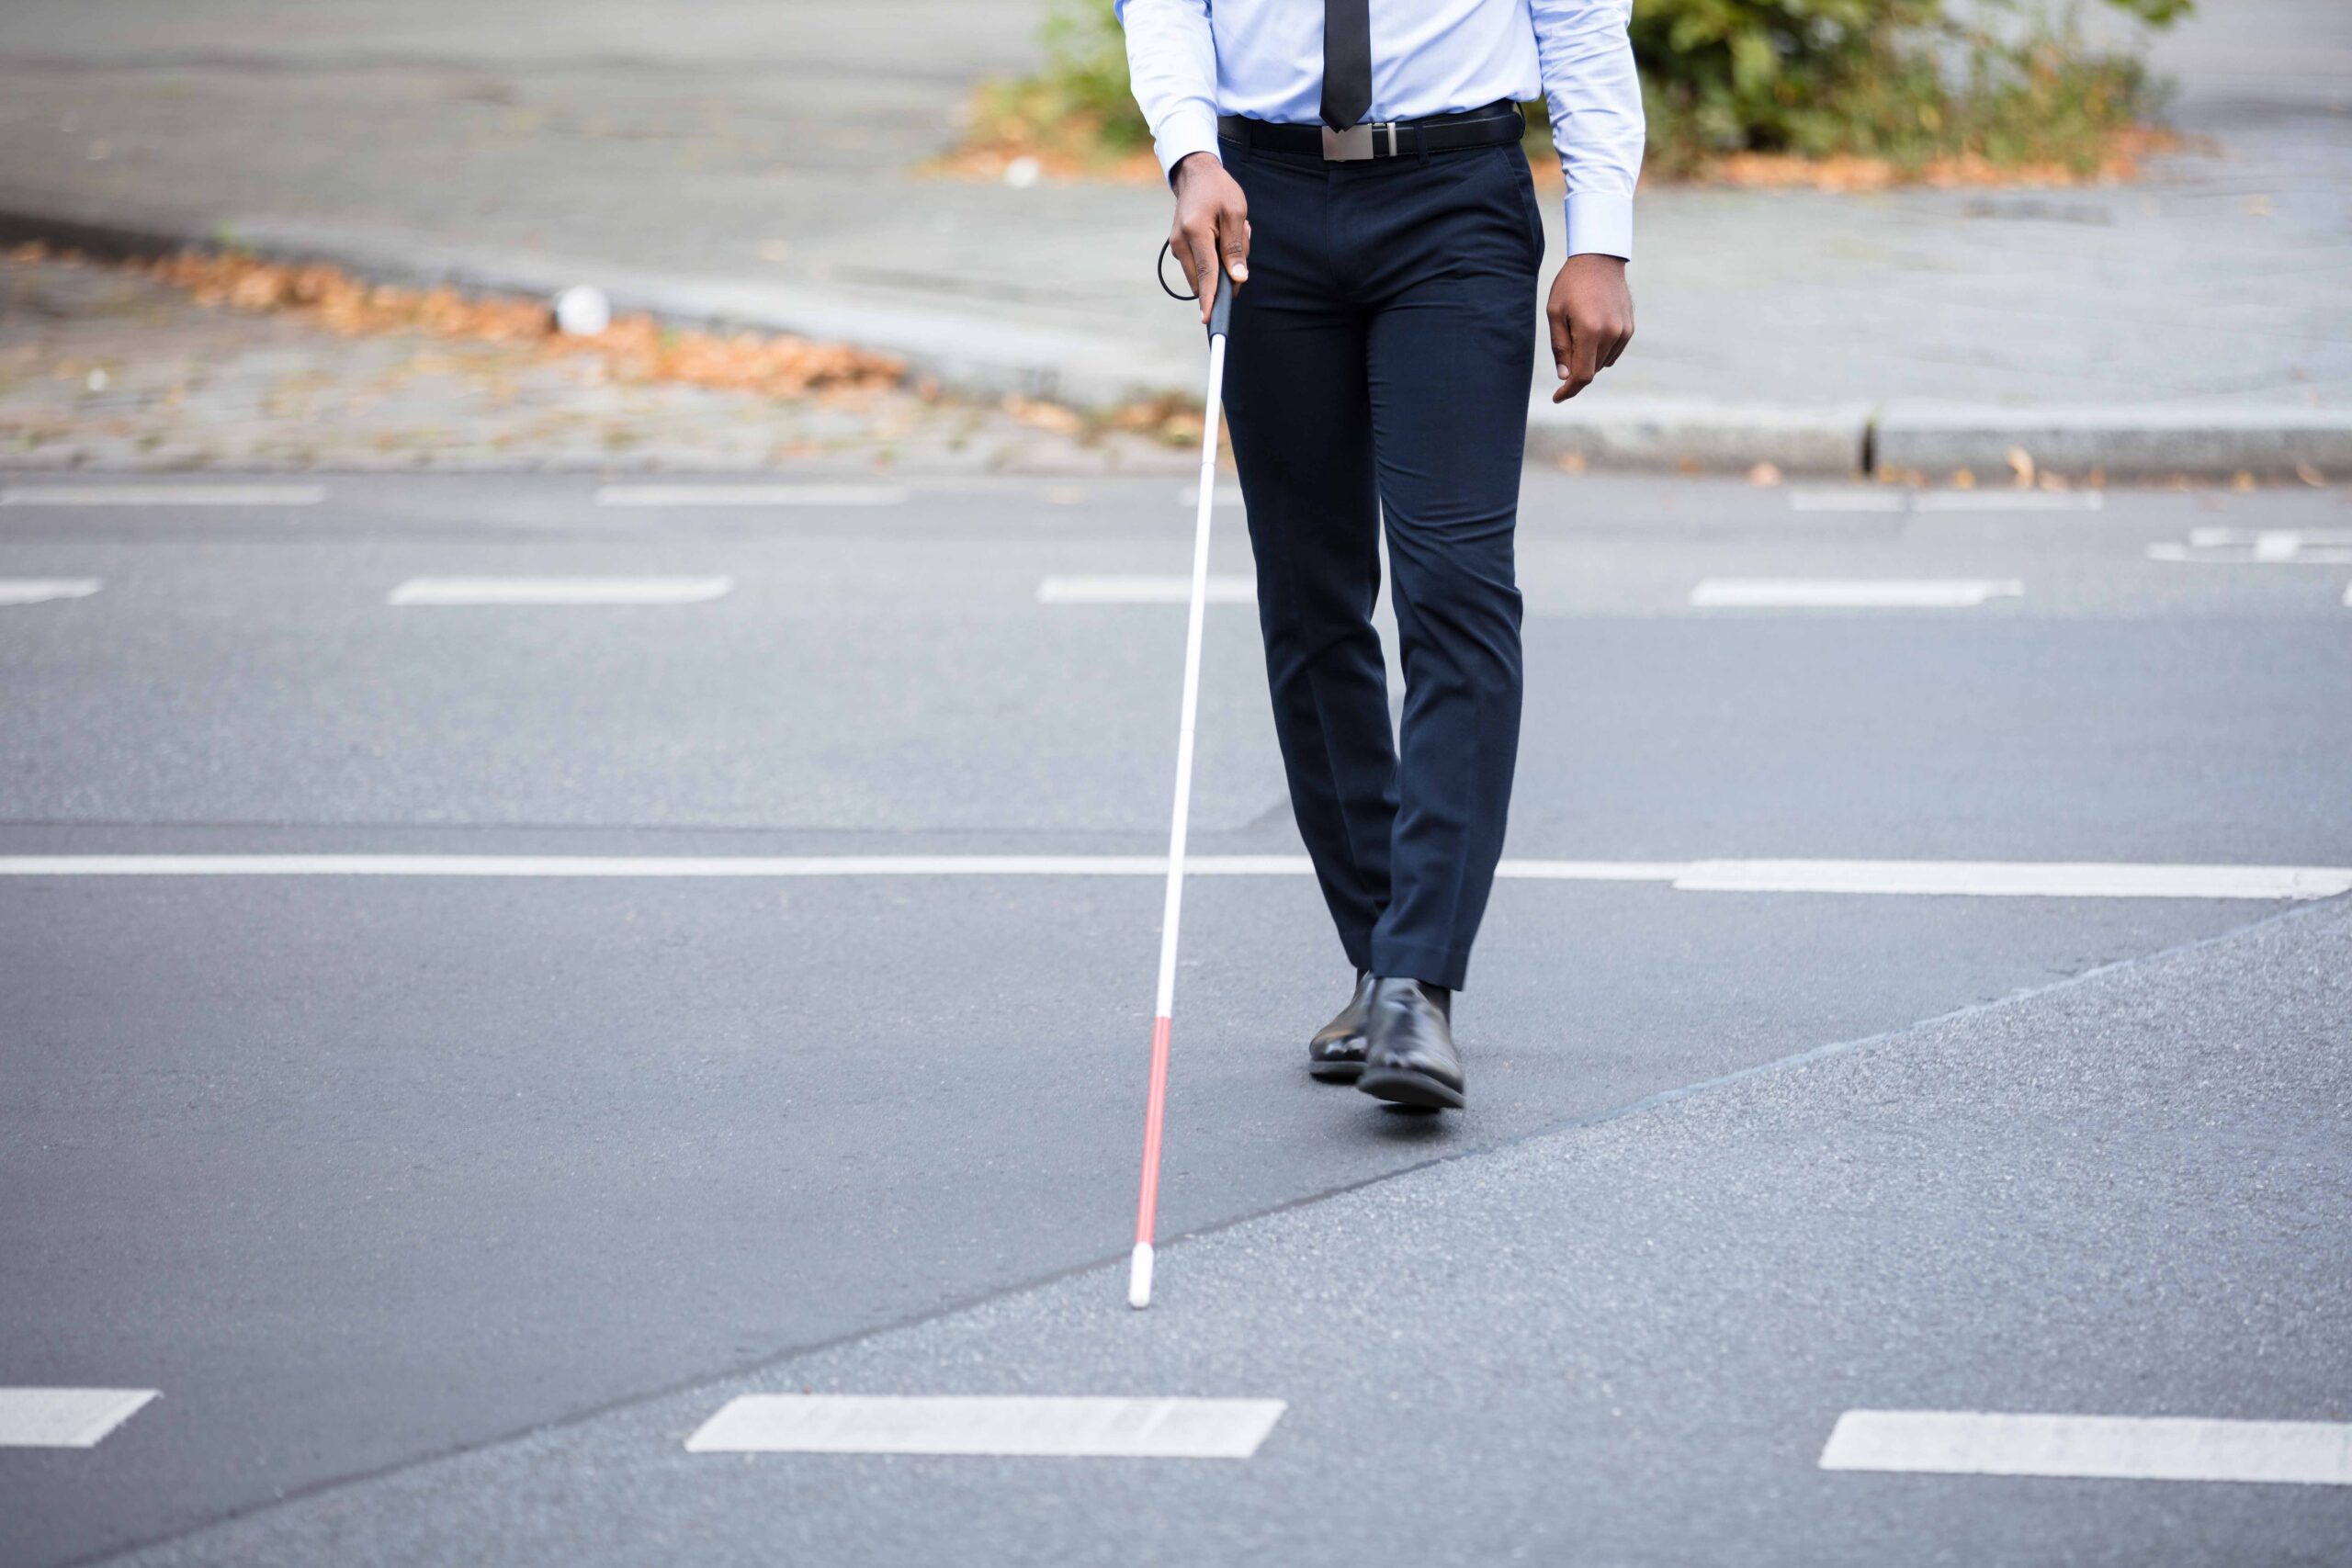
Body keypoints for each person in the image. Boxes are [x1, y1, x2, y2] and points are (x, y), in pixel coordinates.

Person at [1118, 0, 1642, 1110]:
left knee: (1455, 589)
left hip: (1454, 200)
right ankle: (1378, 956)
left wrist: (1600, 238)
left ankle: (1418, 980)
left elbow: (1583, 23)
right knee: (1310, 603)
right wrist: (1188, 153)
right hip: (1260, 199)